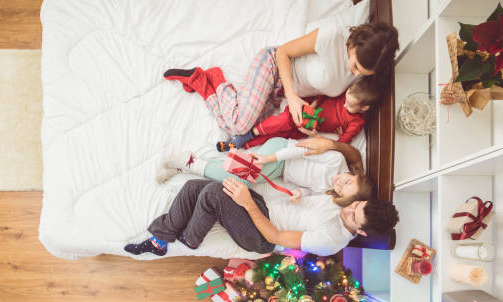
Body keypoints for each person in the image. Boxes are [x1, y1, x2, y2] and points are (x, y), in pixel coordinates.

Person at [125, 138, 399, 257]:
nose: (348, 211)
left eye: (354, 217)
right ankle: (160, 240)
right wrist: (298, 190)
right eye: (356, 206)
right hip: (265, 207)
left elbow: (276, 238)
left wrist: (245, 202)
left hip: (262, 236)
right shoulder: (346, 200)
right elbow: (346, 158)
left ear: (361, 233)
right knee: (193, 188)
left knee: (211, 194)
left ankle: (190, 239)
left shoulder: (331, 240)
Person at [163, 21, 399, 140]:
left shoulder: (369, 72)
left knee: (231, 129)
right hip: (274, 67)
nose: (355, 75)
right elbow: (282, 52)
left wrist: (313, 108)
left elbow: (330, 91)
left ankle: (204, 82)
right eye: (356, 65)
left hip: (282, 96)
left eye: (362, 74)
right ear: (356, 42)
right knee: (240, 125)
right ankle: (214, 78)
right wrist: (294, 97)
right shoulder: (331, 37)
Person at [158, 135, 373, 206]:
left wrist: (300, 193)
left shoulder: (328, 189)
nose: (339, 182)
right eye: (346, 181)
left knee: (242, 181)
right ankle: (189, 162)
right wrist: (268, 158)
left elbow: (309, 189)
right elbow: (298, 150)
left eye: (342, 189)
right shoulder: (335, 160)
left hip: (279, 169)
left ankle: (189, 163)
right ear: (353, 174)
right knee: (242, 181)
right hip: (281, 150)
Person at [216, 75, 381, 152]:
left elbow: (341, 144)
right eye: (345, 99)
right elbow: (326, 94)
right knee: (283, 121)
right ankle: (246, 135)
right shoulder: (346, 93)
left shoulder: (357, 123)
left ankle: (240, 145)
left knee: (280, 136)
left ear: (364, 108)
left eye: (350, 106)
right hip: (306, 110)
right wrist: (314, 104)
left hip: (309, 128)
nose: (344, 105)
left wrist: (315, 135)